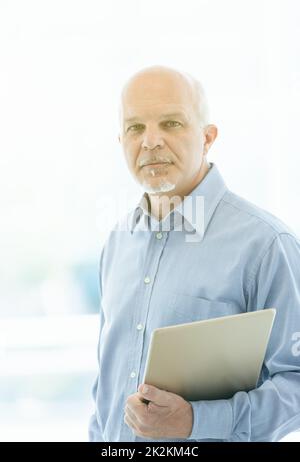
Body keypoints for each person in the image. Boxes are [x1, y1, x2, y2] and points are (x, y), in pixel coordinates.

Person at [88, 65, 300, 442]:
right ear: (120, 138)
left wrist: (198, 422)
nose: (150, 142)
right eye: (136, 127)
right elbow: (105, 395)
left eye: (171, 123)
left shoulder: (266, 244)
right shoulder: (117, 242)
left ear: (207, 136)